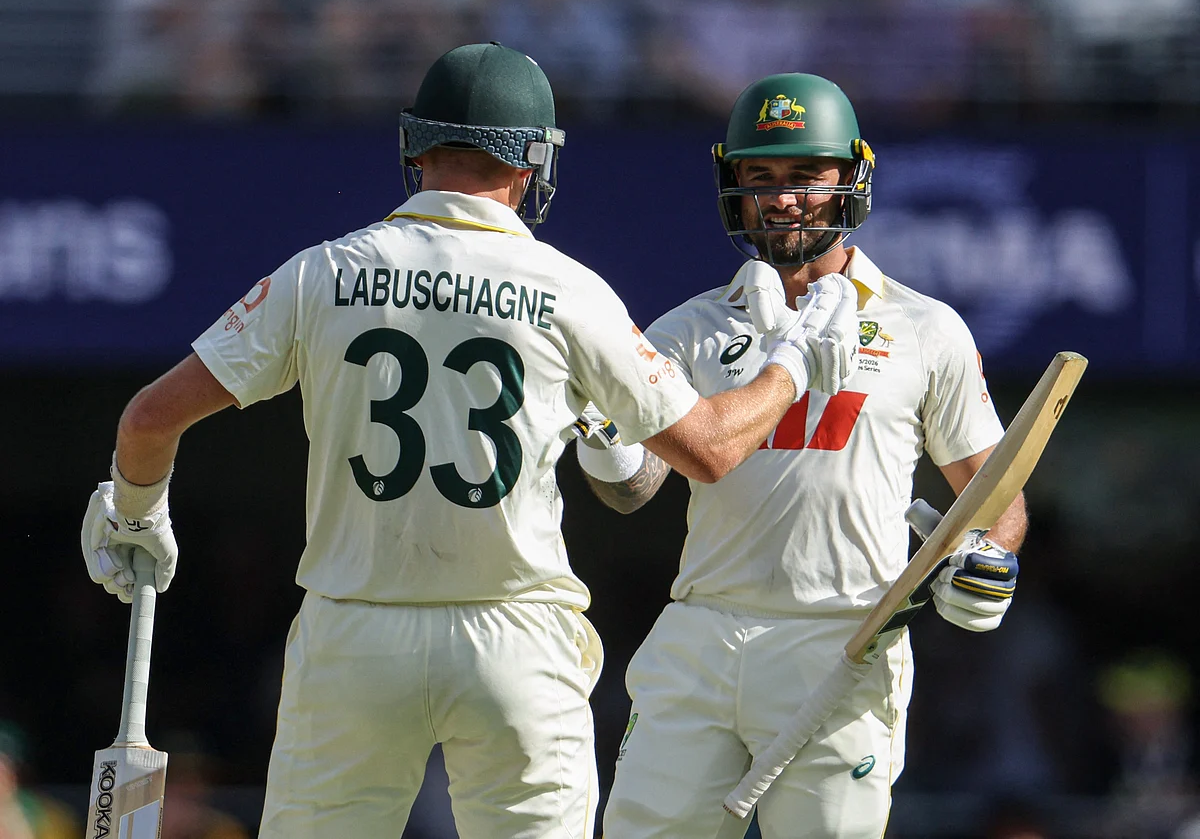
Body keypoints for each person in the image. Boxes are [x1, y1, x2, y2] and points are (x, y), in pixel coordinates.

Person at [79, 45, 861, 839]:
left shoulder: (322, 272)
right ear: (531, 163)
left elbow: (147, 420)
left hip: (354, 637)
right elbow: (712, 449)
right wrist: (796, 359)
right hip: (514, 640)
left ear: (416, 149)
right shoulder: (569, 288)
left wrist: (137, 512)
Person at [579, 72, 1029, 839]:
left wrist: (987, 552)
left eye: (805, 176)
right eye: (760, 177)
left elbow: (996, 494)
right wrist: (605, 445)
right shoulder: (686, 329)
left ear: (851, 178)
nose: (783, 198)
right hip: (702, 633)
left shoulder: (926, 328)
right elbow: (634, 489)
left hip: (843, 641)